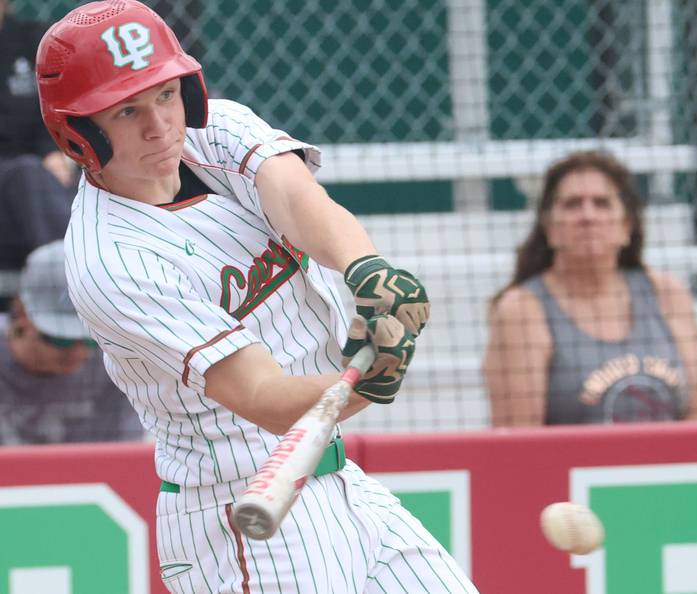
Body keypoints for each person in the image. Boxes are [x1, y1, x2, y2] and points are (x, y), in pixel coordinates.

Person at [36, 2, 476, 593]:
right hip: (243, 518)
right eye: (126, 110)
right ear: (78, 133)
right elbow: (265, 397)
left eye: (166, 95)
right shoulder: (111, 260)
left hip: (339, 481)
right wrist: (371, 378)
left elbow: (299, 201)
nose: (159, 126)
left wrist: (365, 270)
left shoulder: (213, 129)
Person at [483, 151, 697, 426]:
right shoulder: (522, 310)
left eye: (602, 203)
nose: (588, 216)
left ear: (627, 225)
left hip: (668, 467)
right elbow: (518, 438)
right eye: (572, 205)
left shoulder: (667, 294)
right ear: (549, 226)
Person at [0, 240, 142, 444]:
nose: (79, 353)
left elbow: (121, 458)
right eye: (61, 339)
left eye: (93, 340)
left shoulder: (117, 360)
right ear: (22, 314)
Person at [0, 0, 75, 311]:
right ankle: (73, 287)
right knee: (26, 176)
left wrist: (55, 151)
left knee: (39, 176)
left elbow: (63, 105)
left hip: (42, 176)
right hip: (18, 176)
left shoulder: (36, 42)